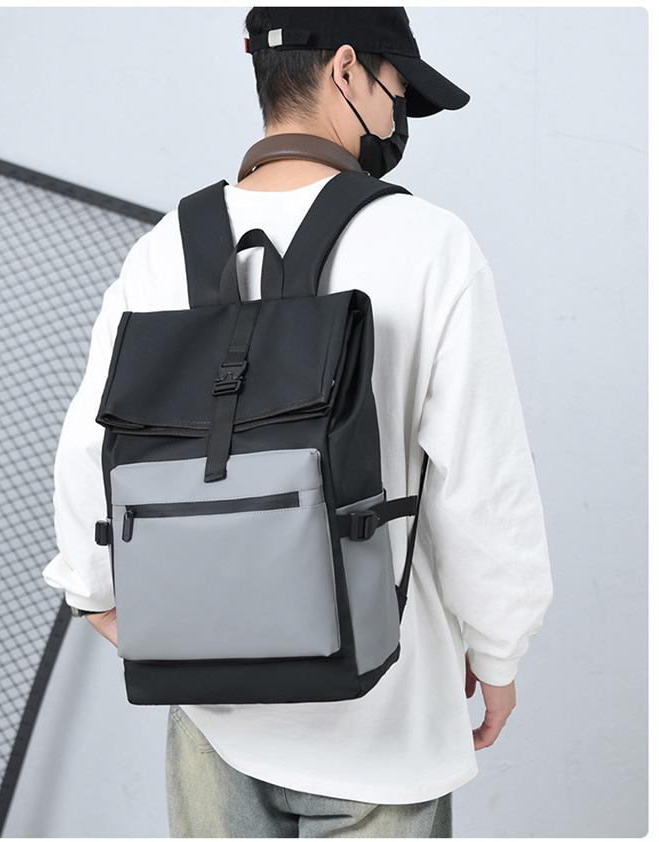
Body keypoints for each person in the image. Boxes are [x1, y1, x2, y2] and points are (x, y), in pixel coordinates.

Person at [42, 7, 554, 838]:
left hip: (214, 716)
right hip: (385, 718)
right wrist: (500, 651)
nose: (396, 117)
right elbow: (483, 483)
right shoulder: (427, 243)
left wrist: (100, 596)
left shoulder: (165, 246)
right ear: (345, 69)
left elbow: (89, 454)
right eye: (396, 92)